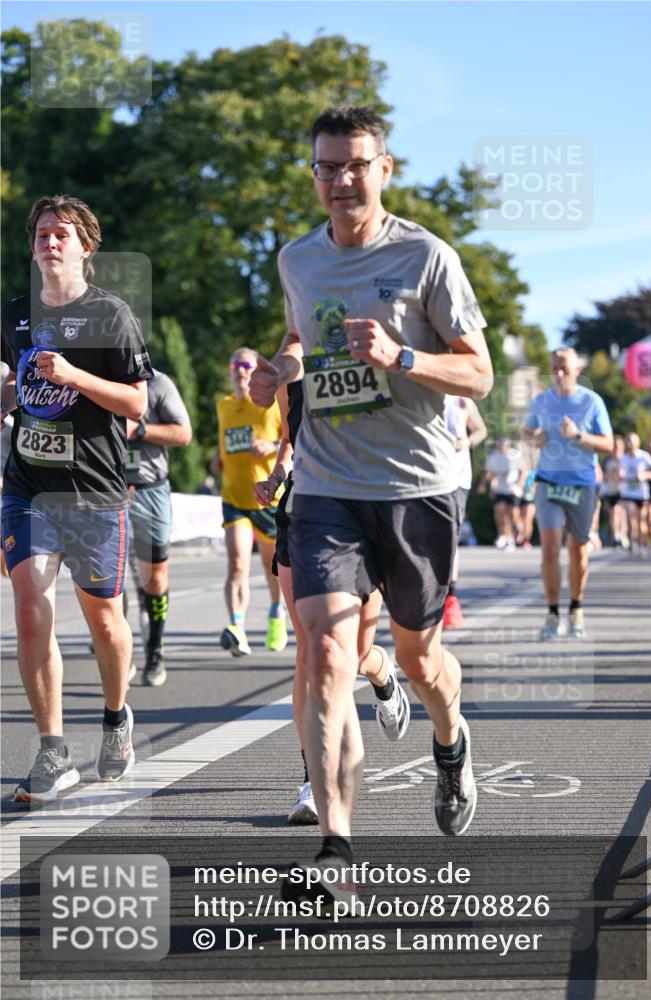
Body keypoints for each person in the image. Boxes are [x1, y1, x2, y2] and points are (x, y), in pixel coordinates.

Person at [250, 105, 493, 902]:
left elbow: (479, 373)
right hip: (325, 487)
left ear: (383, 169)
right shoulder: (297, 259)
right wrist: (278, 372)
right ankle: (335, 850)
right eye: (326, 166)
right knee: (321, 651)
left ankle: (451, 742)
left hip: (414, 489)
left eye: (355, 164)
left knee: (419, 661)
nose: (340, 180)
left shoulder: (427, 256)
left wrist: (402, 356)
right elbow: (296, 336)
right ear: (313, 173)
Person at [1, 194, 152, 802]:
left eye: (62, 232)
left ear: (86, 247)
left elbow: (138, 403)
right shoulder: (13, 314)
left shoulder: (113, 315)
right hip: (29, 487)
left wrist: (75, 377)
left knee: (104, 618)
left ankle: (116, 718)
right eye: (41, 232)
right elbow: (11, 387)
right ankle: (52, 748)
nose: (49, 241)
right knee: (30, 601)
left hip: (94, 490)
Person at [254, 380, 411, 825]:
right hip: (302, 512)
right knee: (312, 653)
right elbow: (289, 436)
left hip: (364, 511)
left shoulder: (372, 348)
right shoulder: (292, 368)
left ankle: (383, 676)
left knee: (355, 656)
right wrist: (277, 476)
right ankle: (313, 782)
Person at [523, 348, 613, 640]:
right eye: (554, 368)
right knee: (549, 548)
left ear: (577, 369)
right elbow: (526, 431)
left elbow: (608, 444)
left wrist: (578, 435)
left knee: (578, 551)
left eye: (563, 368)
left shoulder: (591, 402)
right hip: (549, 482)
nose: (558, 373)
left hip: (582, 484)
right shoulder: (541, 400)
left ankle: (576, 607)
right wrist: (533, 437)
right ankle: (552, 614)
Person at [213, 347, 287, 656]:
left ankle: (276, 611)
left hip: (268, 498)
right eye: (236, 365)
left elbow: (292, 438)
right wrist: (216, 463)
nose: (240, 371)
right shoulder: (224, 406)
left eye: (247, 365)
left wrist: (270, 446)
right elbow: (223, 449)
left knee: (273, 567)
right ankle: (237, 627)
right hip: (234, 497)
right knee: (237, 562)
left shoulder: (271, 404)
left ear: (256, 372)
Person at [125, 368, 192, 686]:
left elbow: (183, 434)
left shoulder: (158, 383)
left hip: (150, 489)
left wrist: (139, 430)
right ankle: (118, 650)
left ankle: (155, 650)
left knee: (155, 578)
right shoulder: (89, 377)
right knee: (105, 578)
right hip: (106, 491)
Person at [442, 394, 487, 628]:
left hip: (458, 477)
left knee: (450, 536)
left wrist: (467, 441)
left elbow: (480, 430)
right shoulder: (422, 386)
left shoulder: (462, 398)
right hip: (428, 473)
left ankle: (450, 599)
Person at [477, 435, 525, 550]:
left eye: (503, 445)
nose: (501, 447)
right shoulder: (493, 456)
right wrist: (483, 484)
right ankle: (507, 537)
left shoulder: (515, 455)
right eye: (499, 444)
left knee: (513, 514)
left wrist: (521, 484)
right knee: (500, 511)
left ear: (508, 445)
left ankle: (518, 528)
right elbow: (489, 472)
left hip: (513, 489)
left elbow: (524, 470)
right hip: (500, 488)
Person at [619, 432, 651, 557]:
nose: (630, 444)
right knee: (630, 518)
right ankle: (632, 543)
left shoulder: (644, 456)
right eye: (628, 441)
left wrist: (645, 475)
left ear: (637, 443)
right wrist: (620, 474)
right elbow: (619, 472)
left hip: (642, 493)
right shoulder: (624, 457)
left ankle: (641, 544)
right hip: (628, 493)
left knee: (641, 521)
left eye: (632, 441)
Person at [600, 434, 628, 547]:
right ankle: (615, 537)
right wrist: (610, 475)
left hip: (624, 491)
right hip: (611, 491)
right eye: (615, 445)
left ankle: (623, 536)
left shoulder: (626, 459)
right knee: (613, 514)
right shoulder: (608, 460)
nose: (617, 447)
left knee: (621, 513)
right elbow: (603, 476)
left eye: (619, 445)